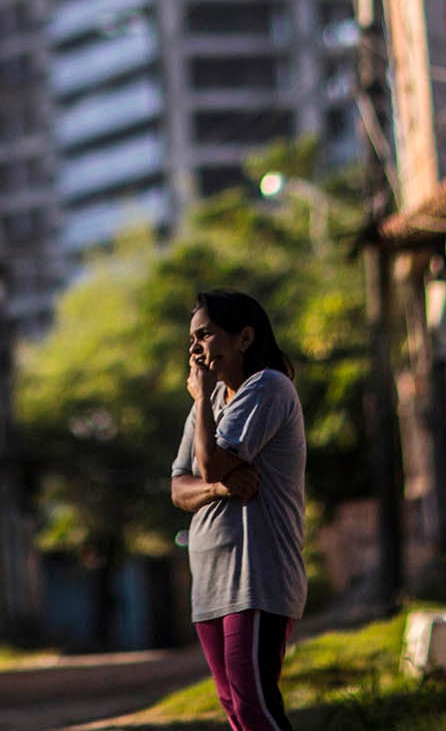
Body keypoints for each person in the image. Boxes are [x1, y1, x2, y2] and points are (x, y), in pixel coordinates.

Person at [169, 288, 307, 731]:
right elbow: (179, 488)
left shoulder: (267, 387)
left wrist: (212, 474)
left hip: (255, 577)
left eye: (205, 335)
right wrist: (219, 491)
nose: (194, 348)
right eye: (192, 338)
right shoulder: (206, 405)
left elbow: (209, 464)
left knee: (256, 708)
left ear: (244, 338)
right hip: (210, 583)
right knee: (235, 711)